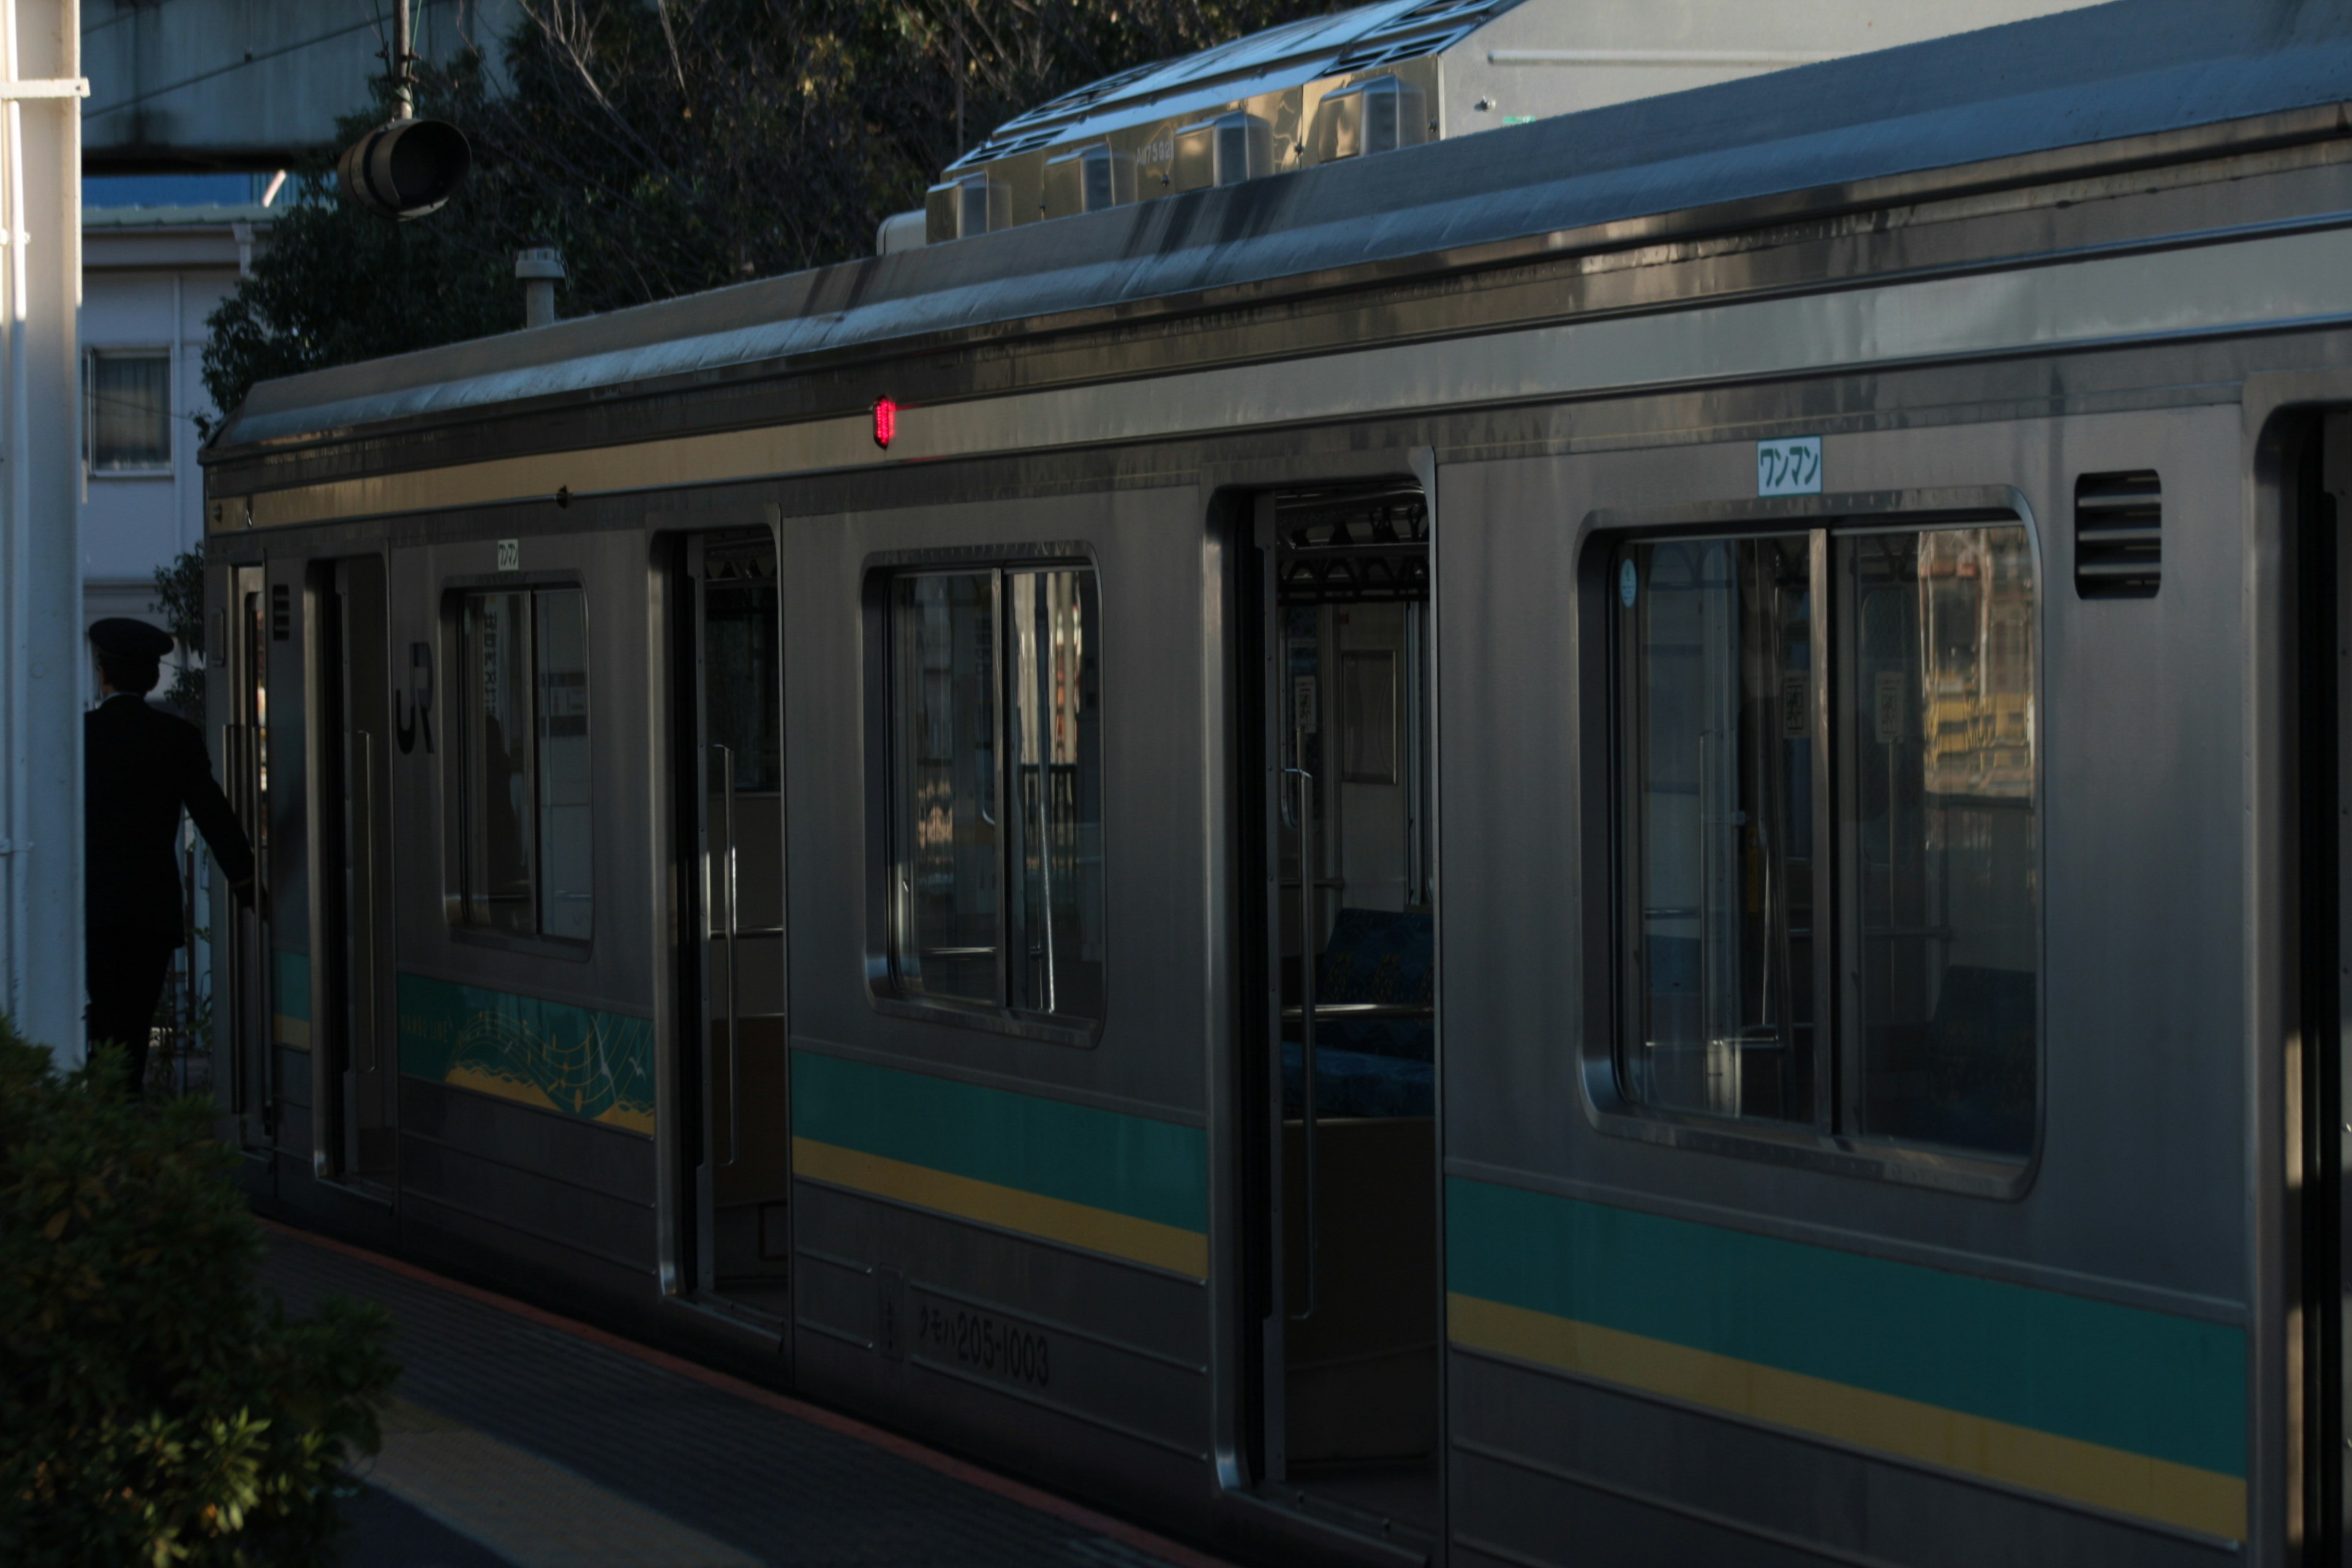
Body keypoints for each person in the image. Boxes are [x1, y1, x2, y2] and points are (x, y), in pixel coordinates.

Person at [85, 617, 254, 1096]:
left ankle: (95, 1110)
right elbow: (213, 814)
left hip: (89, 907)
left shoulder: (80, 737)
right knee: (136, 1019)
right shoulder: (176, 738)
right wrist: (246, 883)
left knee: (98, 1011)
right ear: (155, 678)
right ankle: (124, 1104)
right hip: (149, 908)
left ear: (104, 674)